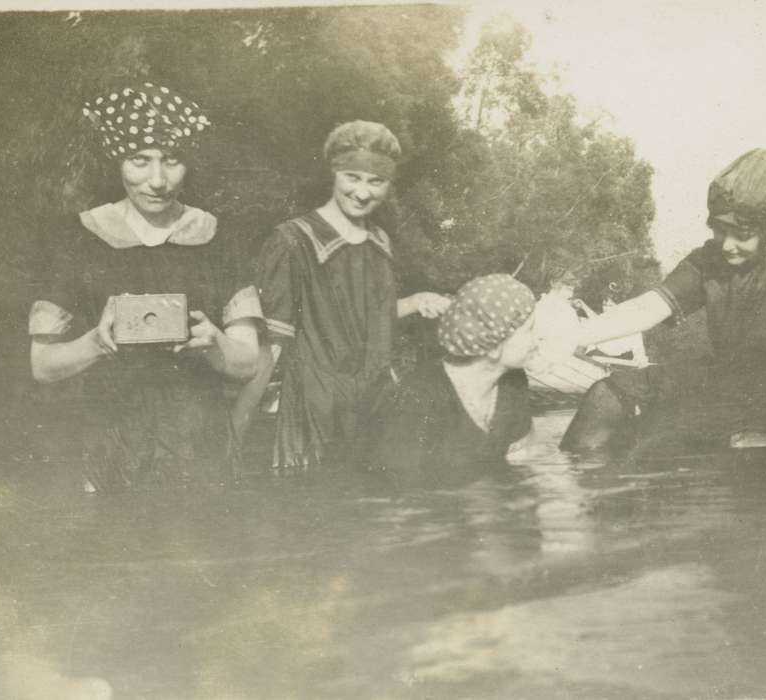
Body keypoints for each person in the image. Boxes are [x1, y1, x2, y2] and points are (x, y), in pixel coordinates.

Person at [29, 83, 262, 491]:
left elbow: (248, 364)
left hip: (200, 455)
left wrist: (213, 344)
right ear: (117, 162)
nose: (157, 180)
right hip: (110, 452)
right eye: (140, 161)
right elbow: (42, 367)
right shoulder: (80, 238)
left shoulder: (216, 238)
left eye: (171, 161)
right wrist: (97, 343)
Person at [560, 148, 766, 451]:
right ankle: (571, 489)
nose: (727, 246)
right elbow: (647, 308)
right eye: (720, 231)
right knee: (605, 395)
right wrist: (570, 336)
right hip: (722, 382)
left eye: (741, 235)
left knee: (650, 440)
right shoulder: (708, 259)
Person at [239, 120, 450, 475]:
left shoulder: (380, 241)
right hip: (313, 409)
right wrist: (239, 425)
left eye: (376, 181)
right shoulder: (292, 241)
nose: (363, 193)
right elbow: (272, 345)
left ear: (389, 184)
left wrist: (416, 302)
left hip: (373, 406)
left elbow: (366, 321)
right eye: (353, 177)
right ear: (334, 173)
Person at [367, 274, 537, 489]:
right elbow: (399, 498)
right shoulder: (418, 399)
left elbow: (523, 463)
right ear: (493, 345)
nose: (536, 339)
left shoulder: (513, 383)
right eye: (529, 330)